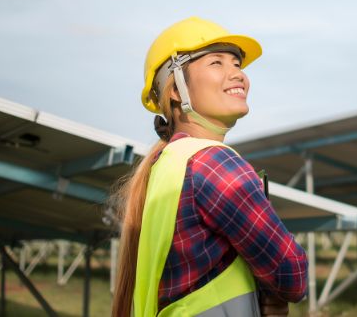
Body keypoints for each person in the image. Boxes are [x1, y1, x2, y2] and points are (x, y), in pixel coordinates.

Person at [111, 17, 308, 317]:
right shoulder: (214, 162)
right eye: (217, 62)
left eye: (237, 64)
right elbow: (292, 275)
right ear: (175, 89)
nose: (237, 74)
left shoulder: (164, 165)